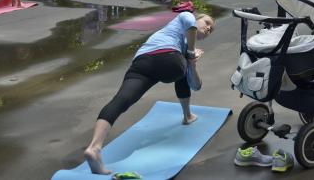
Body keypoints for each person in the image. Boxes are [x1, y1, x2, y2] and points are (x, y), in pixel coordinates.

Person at [83, 12, 215, 174]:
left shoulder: (185, 45)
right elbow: (189, 21)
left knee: (121, 100)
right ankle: (187, 116)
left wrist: (192, 63)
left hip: (142, 63)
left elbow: (195, 86)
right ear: (198, 18)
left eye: (211, 29)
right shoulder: (185, 18)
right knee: (179, 71)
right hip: (167, 58)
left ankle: (94, 147)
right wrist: (190, 53)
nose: (209, 28)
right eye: (207, 22)